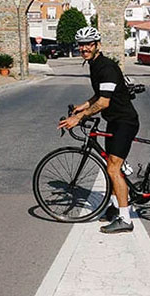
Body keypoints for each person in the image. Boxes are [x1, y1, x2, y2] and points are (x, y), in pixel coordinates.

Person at [58, 26, 140, 234]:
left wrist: (78, 117)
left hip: (125, 122)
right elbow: (99, 95)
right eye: (81, 44)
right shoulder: (95, 65)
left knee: (113, 169)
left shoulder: (106, 67)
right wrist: (83, 106)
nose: (84, 48)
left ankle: (125, 219)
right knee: (111, 165)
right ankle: (114, 206)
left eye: (88, 44)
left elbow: (104, 102)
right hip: (115, 121)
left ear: (97, 45)